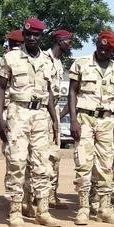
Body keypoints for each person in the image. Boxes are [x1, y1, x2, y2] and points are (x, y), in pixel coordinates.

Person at [0, 18, 60, 227]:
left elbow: (49, 93)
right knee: (17, 162)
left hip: (40, 114)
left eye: (36, 35)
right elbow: (0, 88)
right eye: (29, 34)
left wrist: (54, 120)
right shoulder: (11, 58)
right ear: (24, 35)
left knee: (42, 163)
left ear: (42, 36)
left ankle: (42, 210)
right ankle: (15, 210)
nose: (32, 38)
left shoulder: (48, 61)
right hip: (18, 112)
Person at [68, 31, 114, 225]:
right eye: (100, 47)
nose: (102, 51)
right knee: (83, 164)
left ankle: (104, 208)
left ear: (112, 51)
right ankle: (83, 208)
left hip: (107, 121)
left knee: (106, 165)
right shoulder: (81, 63)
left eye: (107, 49)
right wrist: (73, 120)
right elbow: (72, 92)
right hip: (85, 117)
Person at [45, 29, 71, 207]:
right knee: (41, 156)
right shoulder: (44, 60)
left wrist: (58, 117)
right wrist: (54, 119)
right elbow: (46, 91)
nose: (70, 44)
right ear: (59, 41)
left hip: (53, 110)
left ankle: (51, 195)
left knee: (55, 155)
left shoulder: (59, 62)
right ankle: (34, 196)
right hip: (43, 112)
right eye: (68, 41)